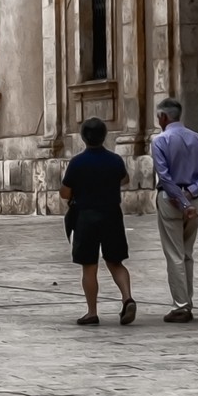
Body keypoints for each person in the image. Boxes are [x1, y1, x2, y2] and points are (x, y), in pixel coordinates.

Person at [60, 117, 136, 325]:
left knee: (89, 266)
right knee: (115, 261)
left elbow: (65, 193)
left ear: (83, 137)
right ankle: (127, 298)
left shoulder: (77, 163)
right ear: (104, 136)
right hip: (112, 215)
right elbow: (125, 179)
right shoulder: (115, 160)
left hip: (86, 217)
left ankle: (92, 312)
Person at [150, 97, 198, 322]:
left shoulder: (160, 141)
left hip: (171, 200)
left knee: (175, 253)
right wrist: (190, 195)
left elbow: (165, 176)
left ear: (163, 117)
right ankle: (187, 300)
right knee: (187, 252)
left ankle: (181, 305)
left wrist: (181, 200)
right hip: (195, 200)